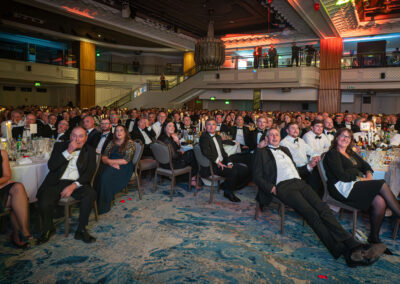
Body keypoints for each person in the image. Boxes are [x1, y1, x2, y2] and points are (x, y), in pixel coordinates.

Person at [253, 128, 385, 267]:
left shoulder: (285, 149)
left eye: (277, 134)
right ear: (266, 138)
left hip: (299, 182)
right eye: (271, 135)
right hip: (282, 186)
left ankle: (350, 248)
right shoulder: (260, 152)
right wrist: (271, 188)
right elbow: (256, 176)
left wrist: (309, 166)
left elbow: (295, 171)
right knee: (311, 213)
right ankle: (346, 250)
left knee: (323, 209)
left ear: (280, 136)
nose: (274, 136)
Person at [324, 128, 400, 246]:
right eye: (342, 136)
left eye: (348, 137)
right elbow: (342, 176)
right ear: (337, 138)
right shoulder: (332, 154)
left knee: (380, 200)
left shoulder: (350, 152)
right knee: (381, 184)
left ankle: (374, 238)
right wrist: (360, 177)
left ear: (350, 140)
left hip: (353, 183)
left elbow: (365, 165)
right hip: (341, 188)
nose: (345, 139)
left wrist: (368, 174)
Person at [36, 127, 97, 244]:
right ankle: (48, 228)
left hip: (77, 182)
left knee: (90, 194)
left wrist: (74, 185)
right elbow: (52, 166)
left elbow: (89, 173)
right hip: (58, 181)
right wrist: (68, 151)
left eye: (81, 136)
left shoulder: (90, 150)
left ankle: (81, 230)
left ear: (86, 138)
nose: (77, 139)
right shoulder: (59, 146)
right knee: (44, 199)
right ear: (70, 137)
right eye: (74, 135)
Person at [199, 119, 250, 203]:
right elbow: (206, 152)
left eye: (213, 124)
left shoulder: (218, 137)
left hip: (222, 162)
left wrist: (229, 162)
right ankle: (228, 192)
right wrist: (218, 161)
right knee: (233, 171)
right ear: (205, 127)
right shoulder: (204, 137)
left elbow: (223, 152)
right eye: (209, 124)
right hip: (213, 165)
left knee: (245, 170)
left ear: (216, 127)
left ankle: (227, 185)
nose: (211, 126)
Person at [95, 125, 135, 214]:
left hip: (124, 167)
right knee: (97, 173)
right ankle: (94, 201)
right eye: (117, 131)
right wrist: (111, 163)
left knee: (105, 176)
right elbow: (103, 157)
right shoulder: (112, 142)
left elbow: (126, 160)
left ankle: (103, 205)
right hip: (111, 164)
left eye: (121, 130)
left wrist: (110, 162)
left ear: (125, 132)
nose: (119, 133)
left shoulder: (130, 143)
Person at [0, 149, 35, 248]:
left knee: (18, 188)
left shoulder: (2, 153)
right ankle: (18, 235)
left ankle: (23, 231)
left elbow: (7, 176)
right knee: (17, 200)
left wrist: (3, 183)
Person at [158, 121, 198, 186]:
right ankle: (192, 179)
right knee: (192, 153)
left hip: (163, 164)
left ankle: (182, 177)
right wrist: (181, 152)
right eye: (170, 126)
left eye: (173, 126)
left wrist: (177, 141)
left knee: (189, 152)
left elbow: (175, 149)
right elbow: (174, 155)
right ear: (165, 127)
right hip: (171, 164)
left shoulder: (163, 137)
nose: (173, 128)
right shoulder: (166, 140)